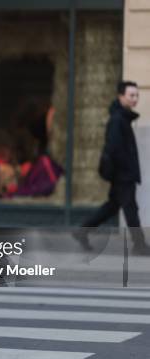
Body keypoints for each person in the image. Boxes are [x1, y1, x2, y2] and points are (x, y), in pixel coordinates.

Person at [73, 81, 150, 255]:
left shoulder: (122, 118)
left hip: (122, 175)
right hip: (123, 175)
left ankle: (82, 231)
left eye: (137, 95)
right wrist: (126, 172)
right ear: (121, 96)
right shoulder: (117, 120)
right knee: (131, 209)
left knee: (112, 207)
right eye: (131, 95)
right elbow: (114, 149)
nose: (135, 99)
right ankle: (139, 245)